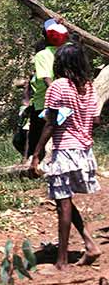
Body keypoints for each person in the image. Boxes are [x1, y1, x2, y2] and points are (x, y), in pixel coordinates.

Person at [29, 44, 101, 270]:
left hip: (65, 151)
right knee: (65, 200)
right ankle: (90, 245)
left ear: (60, 63)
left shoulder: (58, 86)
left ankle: (61, 261)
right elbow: (96, 120)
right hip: (84, 150)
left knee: (62, 204)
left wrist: (36, 154)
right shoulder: (88, 87)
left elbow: (51, 123)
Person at [23, 21, 68, 159]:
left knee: (38, 137)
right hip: (69, 101)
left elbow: (47, 79)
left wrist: (58, 94)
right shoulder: (69, 49)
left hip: (45, 102)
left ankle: (35, 164)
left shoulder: (42, 55)